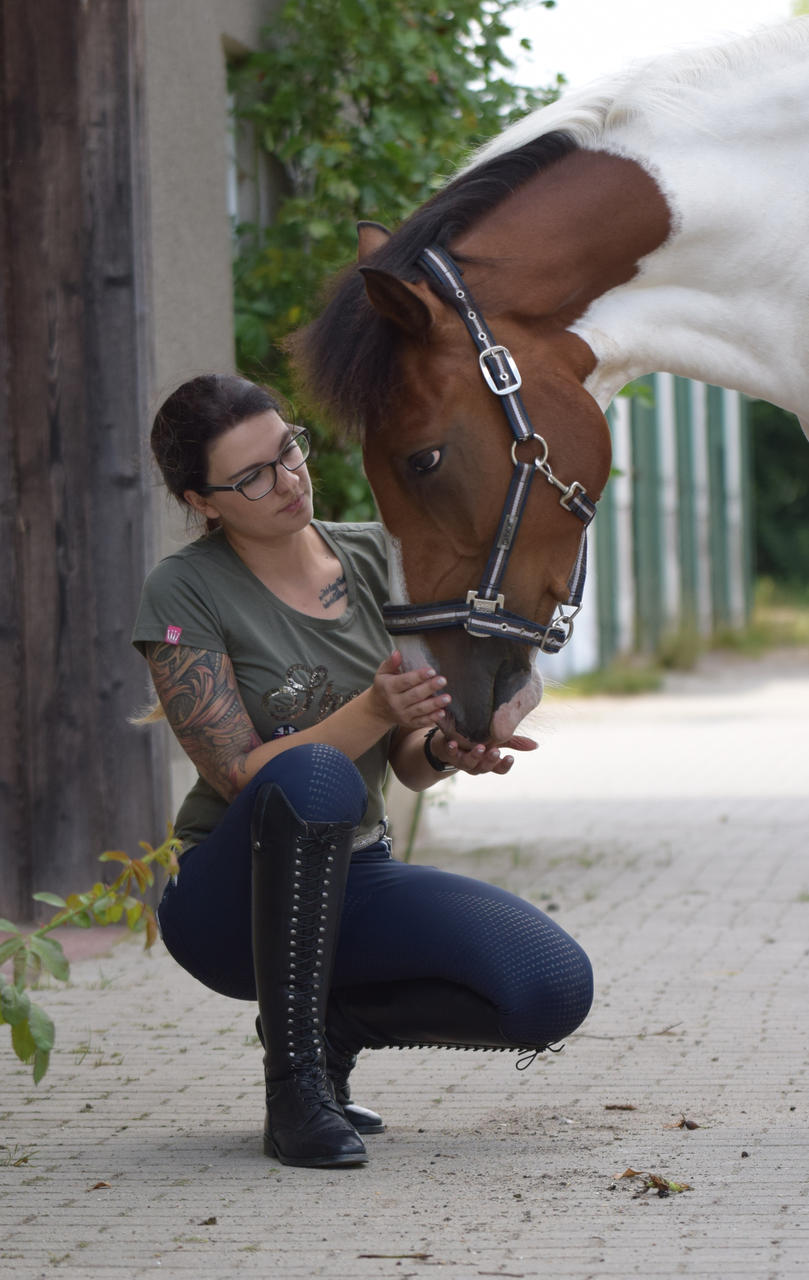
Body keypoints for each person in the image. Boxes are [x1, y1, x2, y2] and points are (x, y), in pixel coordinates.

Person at [132, 373, 593, 1170]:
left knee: (549, 987)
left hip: (358, 872)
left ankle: (329, 1028)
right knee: (315, 775)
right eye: (251, 477)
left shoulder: (382, 557)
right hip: (228, 897)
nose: (287, 483)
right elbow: (244, 772)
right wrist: (376, 711)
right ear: (201, 500)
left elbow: (408, 765)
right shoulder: (185, 589)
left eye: (288, 452)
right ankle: (295, 1095)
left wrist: (447, 746)